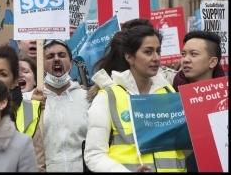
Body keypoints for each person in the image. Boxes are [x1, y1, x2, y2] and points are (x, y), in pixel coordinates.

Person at [84, 25, 186, 172]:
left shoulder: (170, 93)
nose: (156, 58)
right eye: (148, 52)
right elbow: (94, 155)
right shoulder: (108, 97)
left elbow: (184, 146)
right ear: (129, 57)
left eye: (158, 51)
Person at [172, 30, 224, 172]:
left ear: (212, 62)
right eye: (183, 54)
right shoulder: (170, 95)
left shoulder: (224, 98)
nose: (186, 59)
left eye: (193, 54)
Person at [42, 39, 89, 172]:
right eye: (50, 56)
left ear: (71, 64)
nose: (56, 59)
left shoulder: (87, 98)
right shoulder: (32, 100)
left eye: (62, 55)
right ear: (42, 65)